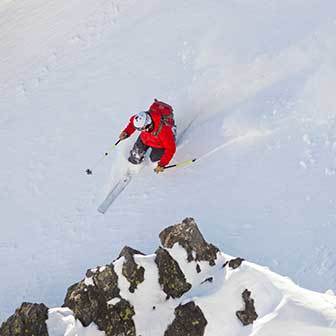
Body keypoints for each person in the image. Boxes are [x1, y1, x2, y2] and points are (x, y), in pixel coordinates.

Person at [119, 100, 176, 174]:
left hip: (159, 144)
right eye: (139, 129)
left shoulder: (164, 130)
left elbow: (171, 148)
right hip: (144, 139)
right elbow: (132, 123)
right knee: (134, 158)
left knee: (154, 158)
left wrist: (162, 164)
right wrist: (126, 132)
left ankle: (173, 132)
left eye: (143, 128)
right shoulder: (140, 118)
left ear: (149, 123)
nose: (142, 130)